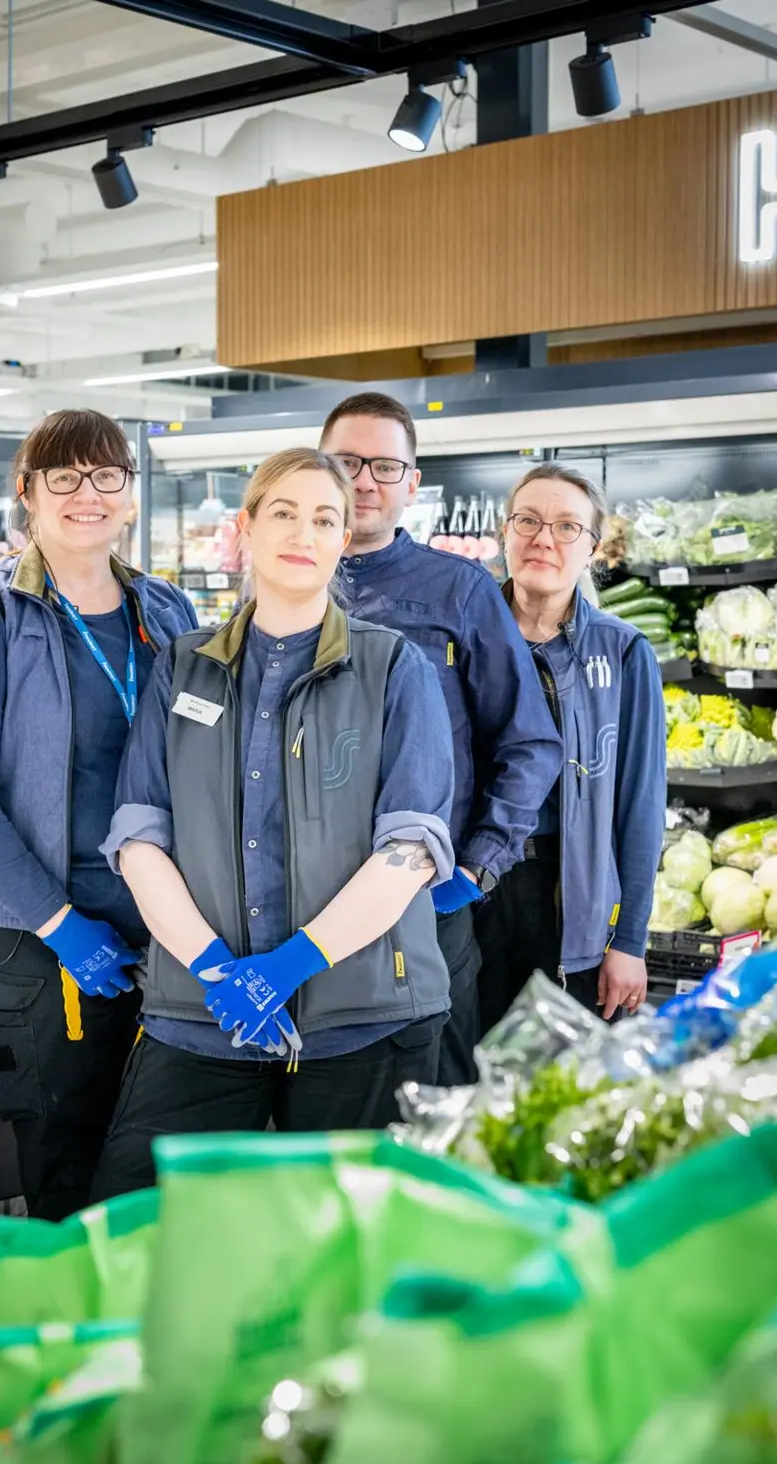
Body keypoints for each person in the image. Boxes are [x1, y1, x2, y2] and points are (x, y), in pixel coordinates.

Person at [89, 446, 455, 1197]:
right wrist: (219, 972)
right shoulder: (184, 666)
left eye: (326, 518)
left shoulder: (394, 668)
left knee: (352, 1264)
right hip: (199, 1018)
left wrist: (290, 967)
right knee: (140, 1229)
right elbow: (139, 836)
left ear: (344, 540)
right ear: (246, 529)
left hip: (366, 1021)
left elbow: (412, 848)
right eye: (283, 513)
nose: (304, 532)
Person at [0, 409, 198, 1220]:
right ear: (29, 494)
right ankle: (72, 1338)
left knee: (154, 1161)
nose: (89, 494)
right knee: (66, 1161)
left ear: (131, 494)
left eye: (107, 475)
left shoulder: (169, 612)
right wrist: (59, 925)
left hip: (161, 931)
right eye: (65, 477)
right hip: (35, 939)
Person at [319, 392, 563, 1081]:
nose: (365, 481)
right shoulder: (284, 588)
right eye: (346, 462)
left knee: (438, 1091)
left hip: (425, 904)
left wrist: (478, 866)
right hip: (307, 909)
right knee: (332, 1105)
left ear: (412, 484)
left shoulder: (458, 589)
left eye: (385, 467)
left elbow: (530, 743)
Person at [475, 462, 665, 1028]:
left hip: (572, 897)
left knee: (565, 1084)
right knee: (466, 1082)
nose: (543, 539)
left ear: (592, 548)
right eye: (528, 520)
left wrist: (628, 941)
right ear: (504, 531)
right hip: (472, 892)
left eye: (566, 527)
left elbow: (640, 807)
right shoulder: (462, 639)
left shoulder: (625, 652)